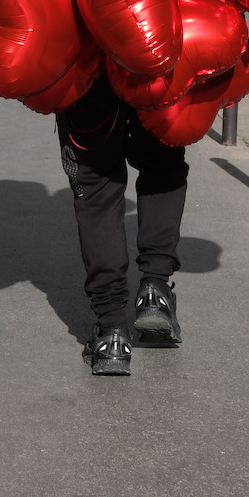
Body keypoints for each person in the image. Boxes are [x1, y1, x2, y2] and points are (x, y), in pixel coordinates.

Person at [55, 76, 188, 376]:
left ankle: (112, 332)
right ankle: (155, 291)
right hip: (163, 48)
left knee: (96, 184)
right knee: (162, 157)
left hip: (89, 57)